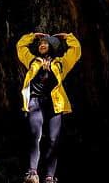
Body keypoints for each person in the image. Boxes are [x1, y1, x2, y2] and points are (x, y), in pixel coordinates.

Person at [16, 31, 81, 183]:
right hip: (34, 101)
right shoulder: (32, 61)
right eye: (40, 43)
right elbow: (20, 46)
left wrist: (67, 37)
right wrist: (32, 36)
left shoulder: (60, 63)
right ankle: (32, 173)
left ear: (52, 46)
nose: (42, 45)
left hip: (55, 104)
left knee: (53, 140)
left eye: (46, 43)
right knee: (34, 136)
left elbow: (76, 51)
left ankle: (50, 177)